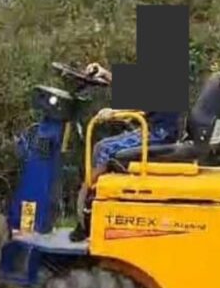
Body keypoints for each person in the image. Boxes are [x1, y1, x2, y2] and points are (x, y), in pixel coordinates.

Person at [69, 61, 182, 241]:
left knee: (104, 148)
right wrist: (105, 74)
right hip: (155, 129)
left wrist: (113, 112)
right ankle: (92, 198)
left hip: (159, 134)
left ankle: (88, 209)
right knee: (101, 147)